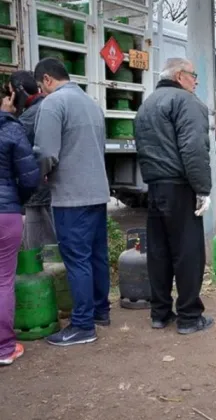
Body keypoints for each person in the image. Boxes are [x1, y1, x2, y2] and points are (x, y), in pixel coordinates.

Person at [33, 58, 111, 346]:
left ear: (47, 80)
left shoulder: (54, 104)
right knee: (96, 255)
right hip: (96, 191)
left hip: (70, 196)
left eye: (41, 87)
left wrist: (40, 176)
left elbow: (45, 152)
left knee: (77, 260)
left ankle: (82, 325)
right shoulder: (91, 103)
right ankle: (101, 311)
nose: (41, 92)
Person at [134, 58, 214, 334]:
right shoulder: (187, 102)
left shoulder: (147, 104)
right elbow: (194, 149)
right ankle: (190, 317)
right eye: (193, 75)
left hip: (155, 187)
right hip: (180, 186)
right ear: (180, 76)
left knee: (159, 252)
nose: (196, 81)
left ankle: (160, 313)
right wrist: (203, 188)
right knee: (188, 252)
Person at [0, 84, 41, 365]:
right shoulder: (11, 129)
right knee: (3, 280)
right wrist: (18, 201)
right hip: (5, 212)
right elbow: (29, 178)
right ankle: (4, 349)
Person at [9, 70, 56, 250]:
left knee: (40, 246)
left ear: (18, 91)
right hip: (50, 188)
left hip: (37, 192)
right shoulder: (49, 105)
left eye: (10, 91)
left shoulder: (28, 117)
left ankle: (49, 276)